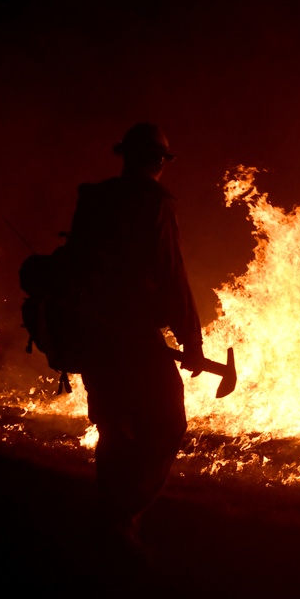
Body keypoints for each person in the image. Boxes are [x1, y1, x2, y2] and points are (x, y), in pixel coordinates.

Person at [66, 122, 205, 551]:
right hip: (133, 337)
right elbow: (170, 272)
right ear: (160, 162)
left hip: (91, 331)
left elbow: (75, 261)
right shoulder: (153, 202)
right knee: (166, 423)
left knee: (115, 426)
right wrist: (192, 340)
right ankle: (120, 518)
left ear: (124, 156)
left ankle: (109, 518)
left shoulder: (94, 198)